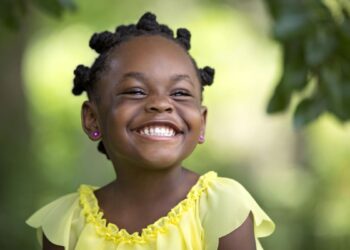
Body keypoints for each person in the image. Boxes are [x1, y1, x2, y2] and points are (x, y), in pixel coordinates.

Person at [26, 12, 275, 250]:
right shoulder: (67, 224)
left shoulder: (222, 208)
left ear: (202, 121)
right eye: (135, 91)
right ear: (93, 119)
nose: (161, 103)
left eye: (179, 93)